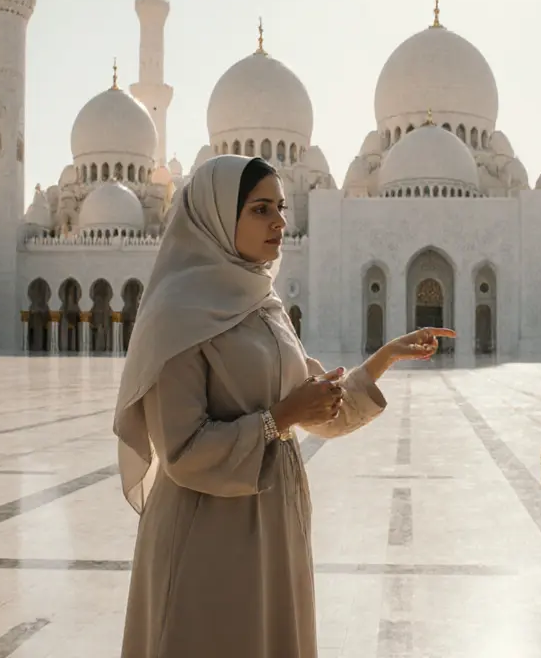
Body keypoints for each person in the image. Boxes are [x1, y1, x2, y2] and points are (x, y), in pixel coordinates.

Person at [114, 155, 454, 658]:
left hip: (273, 526)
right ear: (216, 216)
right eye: (260, 209)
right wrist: (281, 419)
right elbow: (182, 451)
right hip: (208, 537)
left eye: (281, 207)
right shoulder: (177, 314)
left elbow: (316, 402)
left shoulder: (262, 304)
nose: (279, 222)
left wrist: (386, 356)